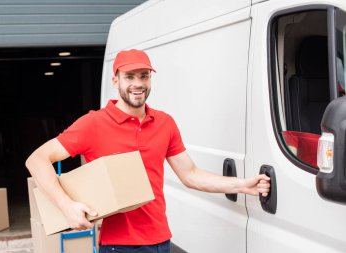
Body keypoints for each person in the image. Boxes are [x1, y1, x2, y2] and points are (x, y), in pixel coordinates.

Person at [25, 49, 270, 253]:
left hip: (160, 240)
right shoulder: (94, 124)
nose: (138, 83)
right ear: (116, 80)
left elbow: (191, 174)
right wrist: (67, 207)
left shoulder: (165, 123)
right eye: (129, 76)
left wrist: (241, 185)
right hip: (118, 245)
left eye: (144, 76)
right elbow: (37, 160)